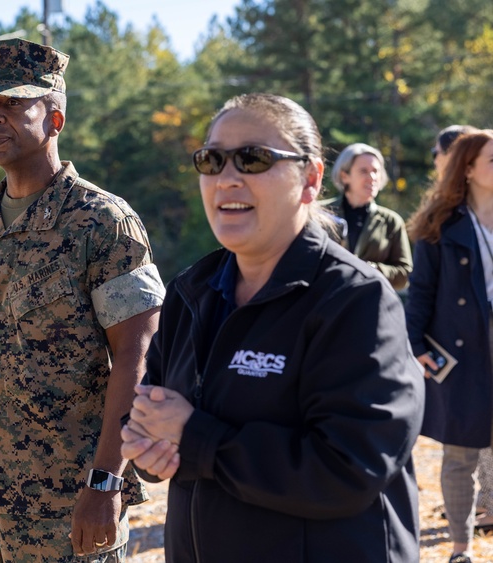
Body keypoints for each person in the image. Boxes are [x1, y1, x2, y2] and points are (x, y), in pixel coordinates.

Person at [120, 93, 424, 562]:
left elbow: (350, 468)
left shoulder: (355, 300)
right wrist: (145, 446)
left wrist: (195, 437)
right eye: (212, 160)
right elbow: (152, 411)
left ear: (310, 178)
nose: (227, 178)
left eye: (253, 158)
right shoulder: (190, 292)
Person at [0, 38, 165, 562]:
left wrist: (105, 482)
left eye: (12, 104)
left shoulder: (102, 221)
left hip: (66, 500)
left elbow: (136, 354)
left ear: (54, 120)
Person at [406, 129, 493, 563]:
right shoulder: (439, 225)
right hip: (464, 352)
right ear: (470, 169)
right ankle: (461, 549)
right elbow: (420, 292)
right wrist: (416, 343)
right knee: (461, 453)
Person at [323, 142, 412, 289]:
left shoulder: (391, 221)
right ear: (344, 176)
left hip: (370, 306)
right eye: (363, 171)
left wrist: (370, 269)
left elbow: (404, 275)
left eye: (376, 171)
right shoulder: (321, 213)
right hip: (325, 304)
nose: (372, 177)